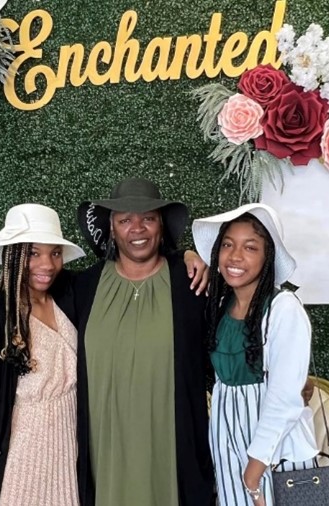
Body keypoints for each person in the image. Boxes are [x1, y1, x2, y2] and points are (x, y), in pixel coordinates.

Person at [61, 177, 215, 506]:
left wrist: (194, 255)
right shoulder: (83, 288)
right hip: (105, 449)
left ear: (161, 226)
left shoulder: (191, 284)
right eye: (125, 220)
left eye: (148, 218)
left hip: (172, 447)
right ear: (112, 229)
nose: (138, 228)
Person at [0, 204, 85, 506]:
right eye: (33, 253)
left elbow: (124, 267)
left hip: (70, 446)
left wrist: (182, 255)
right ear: (13, 255)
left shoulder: (71, 294)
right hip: (20, 454)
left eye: (55, 253)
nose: (47, 264)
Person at [192, 203, 318, 506]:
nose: (235, 257)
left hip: (274, 448)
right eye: (227, 245)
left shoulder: (283, 308)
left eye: (250, 247)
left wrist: (255, 465)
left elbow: (285, 395)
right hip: (227, 439)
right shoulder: (220, 305)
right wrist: (186, 254)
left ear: (268, 257)